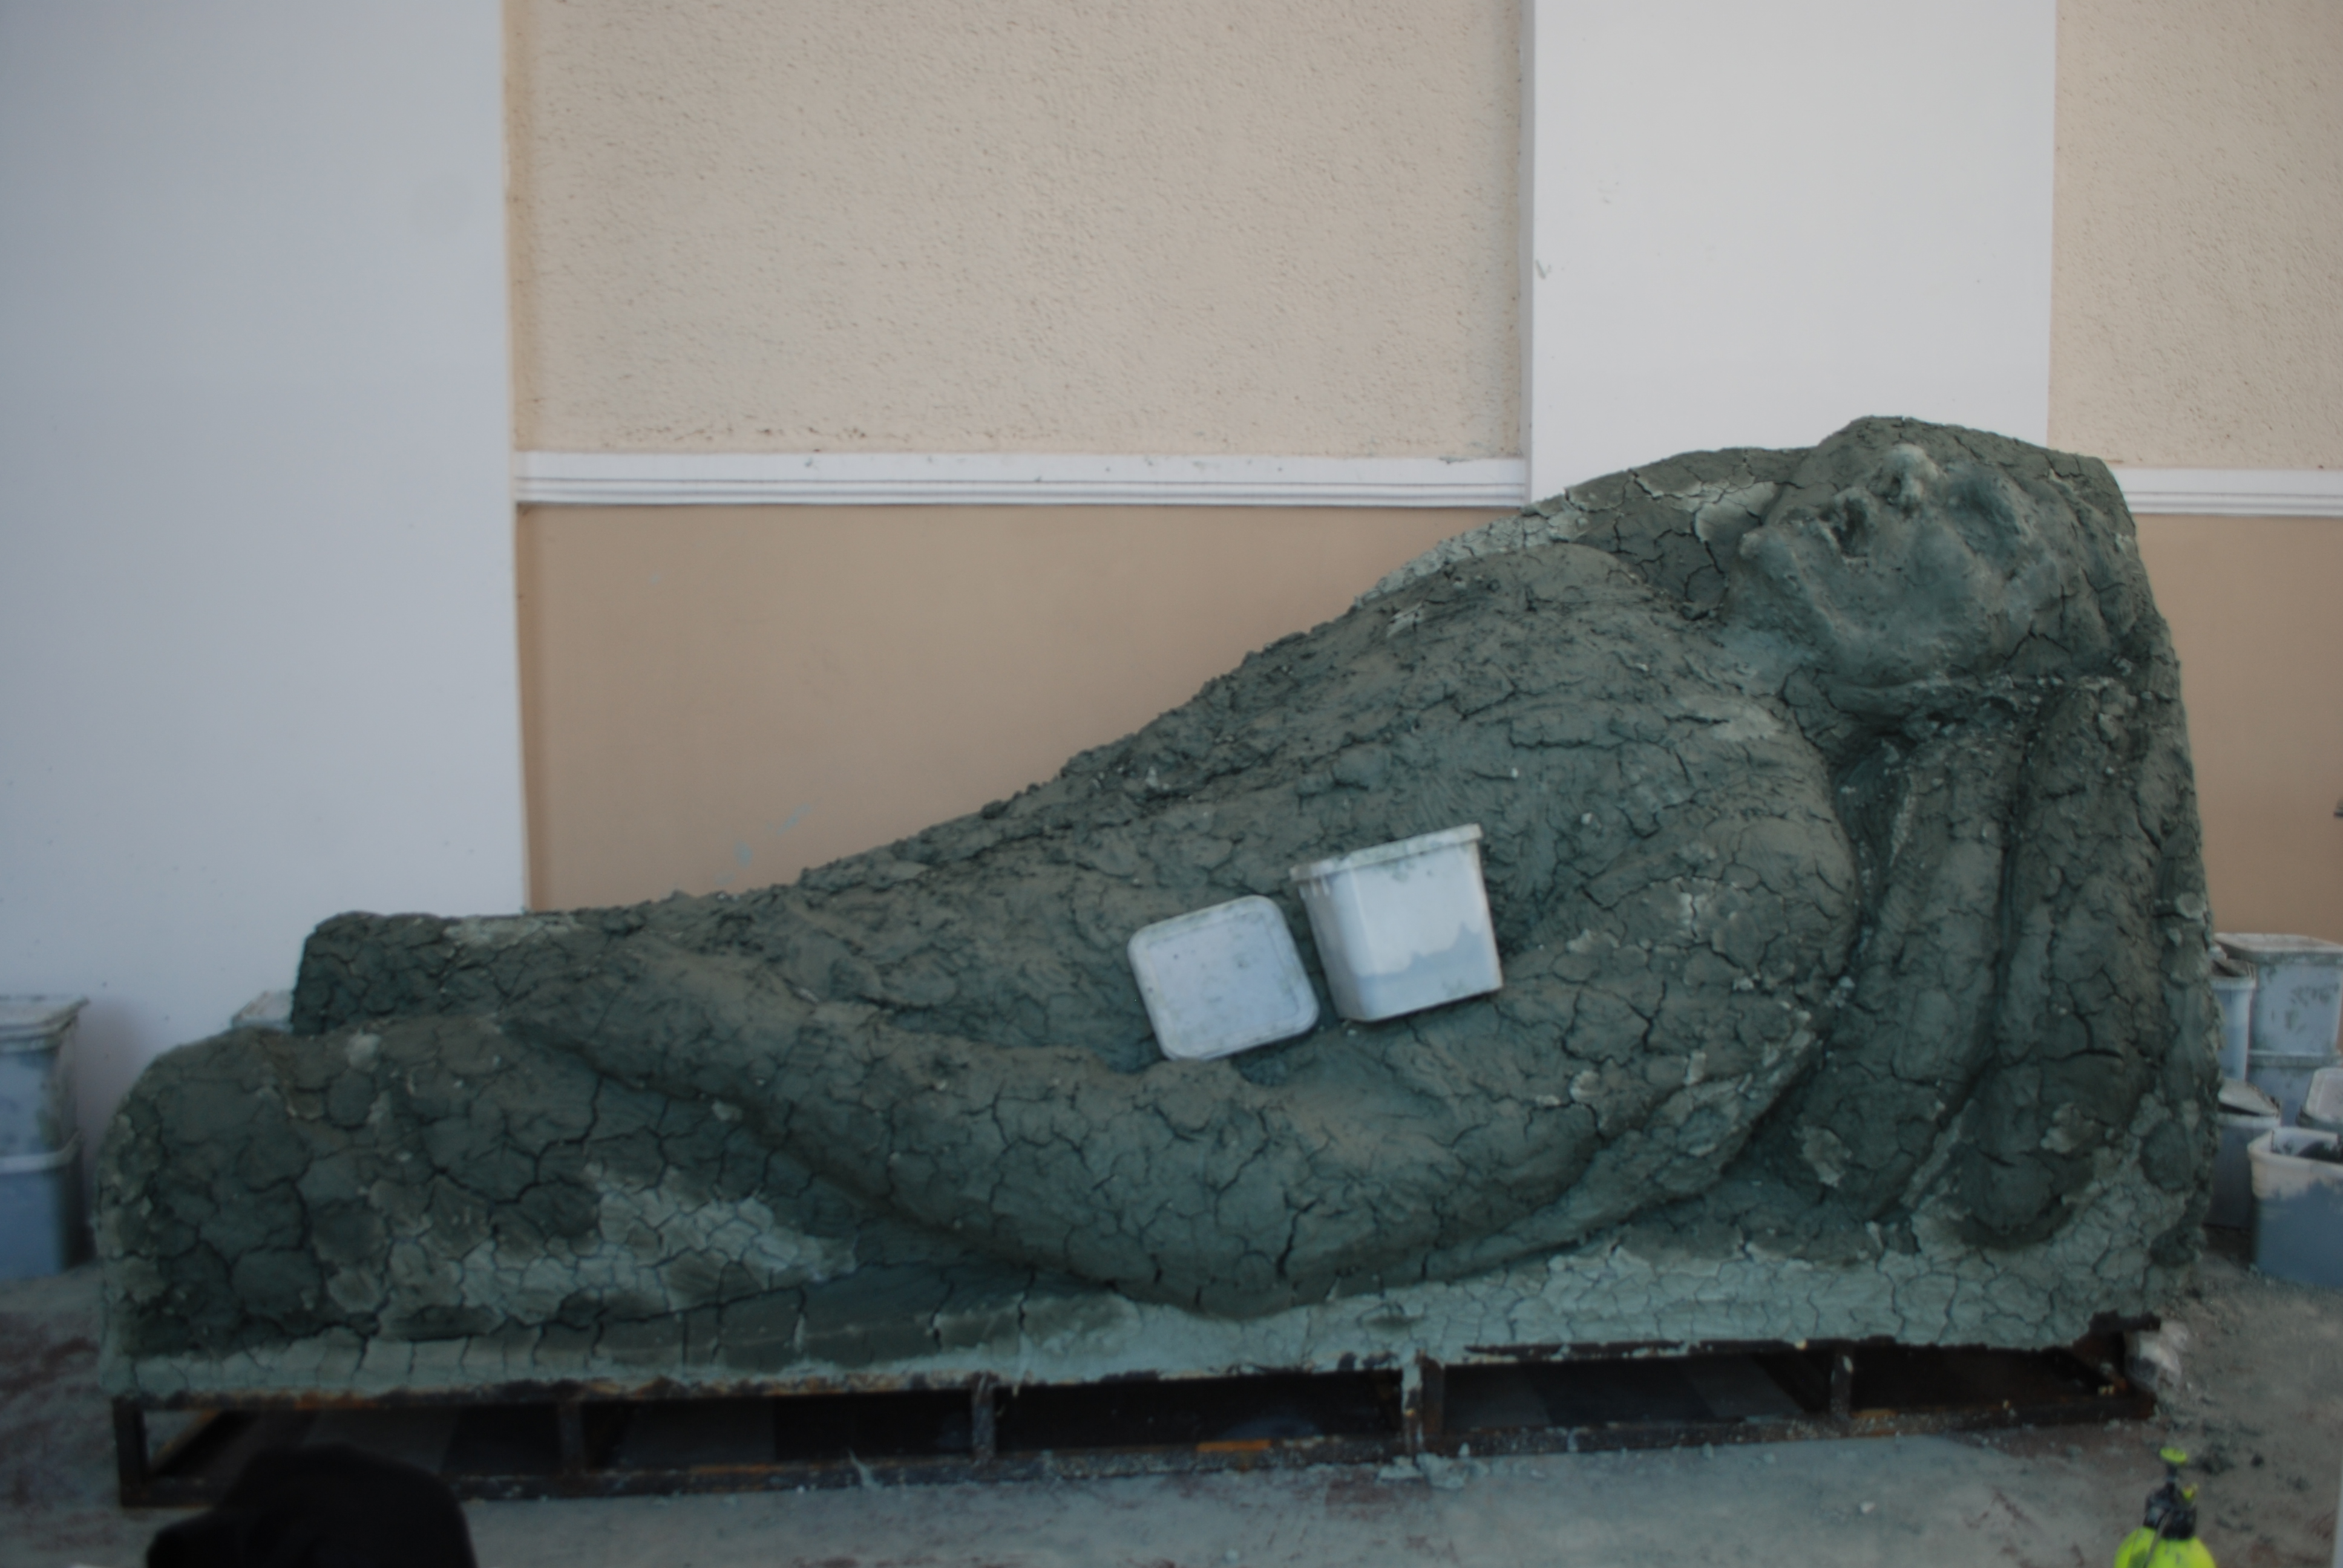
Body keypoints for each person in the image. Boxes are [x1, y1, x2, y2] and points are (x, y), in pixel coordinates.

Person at [113, 419, 2215, 1344]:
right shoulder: (1564, 600)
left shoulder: (1749, 872)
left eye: (1983, 531)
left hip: (927, 1126)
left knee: (223, 1143)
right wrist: (718, 964)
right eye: (1923, 455)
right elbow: (1113, 812)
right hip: (858, 967)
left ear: (1985, 688)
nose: (1904, 483)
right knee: (385, 994)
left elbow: (1304, 1187)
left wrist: (743, 1035)